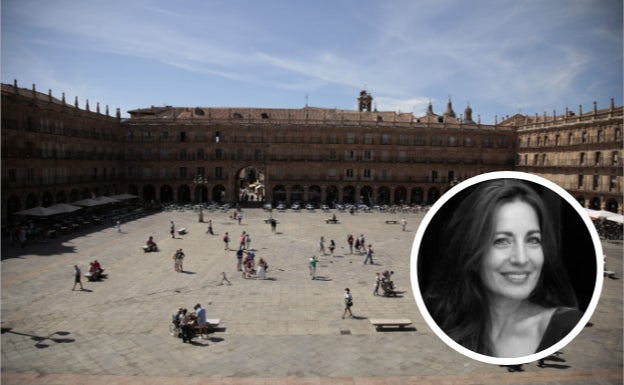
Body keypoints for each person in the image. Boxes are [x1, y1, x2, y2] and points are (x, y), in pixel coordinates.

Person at [421, 179, 581, 358]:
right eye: (501, 241)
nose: (521, 259)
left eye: (533, 239)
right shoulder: (448, 326)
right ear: (472, 255)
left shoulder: (567, 327)